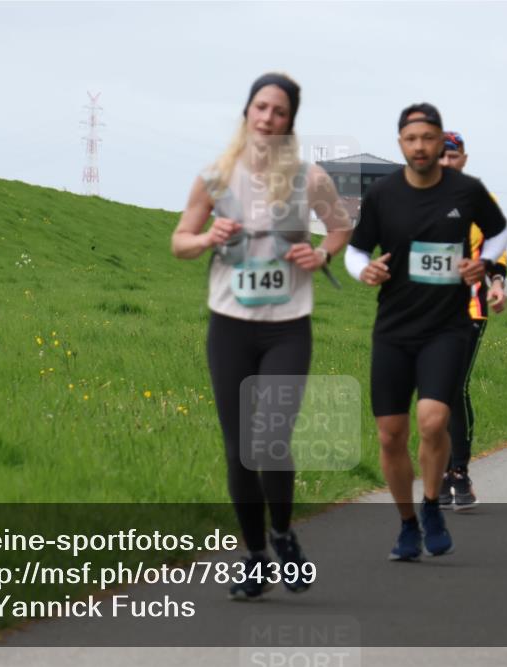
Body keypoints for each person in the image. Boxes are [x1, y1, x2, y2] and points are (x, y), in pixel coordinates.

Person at [171, 73, 351, 599]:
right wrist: (207, 237)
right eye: (261, 107)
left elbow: (339, 226)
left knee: (270, 440)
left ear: (290, 121)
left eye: (279, 111)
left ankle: (282, 533)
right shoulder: (215, 178)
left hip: (287, 328)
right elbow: (180, 241)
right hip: (229, 326)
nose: (268, 118)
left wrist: (321, 254)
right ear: (246, 111)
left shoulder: (309, 177)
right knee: (238, 450)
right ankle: (255, 557)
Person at [344, 104, 507, 560]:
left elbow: (499, 233)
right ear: (401, 143)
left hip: (448, 326)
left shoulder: (468, 191)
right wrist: (365, 271)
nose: (420, 146)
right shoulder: (383, 194)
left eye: (429, 138)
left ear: (441, 144)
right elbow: (355, 251)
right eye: (411, 138)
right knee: (390, 435)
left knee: (434, 419)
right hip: (394, 328)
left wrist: (489, 267)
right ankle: (406, 524)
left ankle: (433, 500)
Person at [435, 130, 507, 512]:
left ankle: (458, 473)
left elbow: (497, 254)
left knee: (452, 388)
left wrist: (496, 284)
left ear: (463, 159)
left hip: (469, 310)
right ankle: (442, 472)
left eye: (453, 156)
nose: (445, 162)